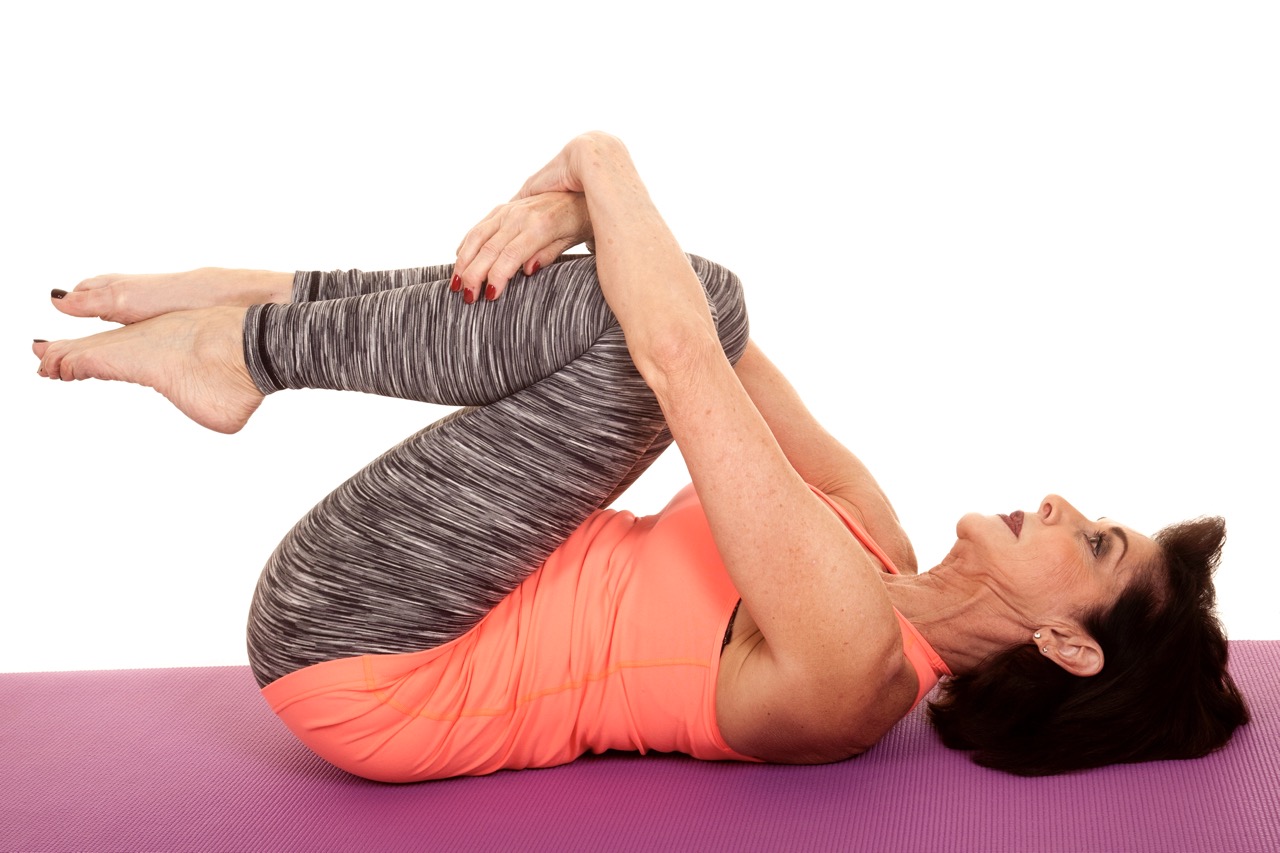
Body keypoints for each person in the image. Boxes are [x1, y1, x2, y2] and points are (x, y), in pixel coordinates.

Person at [33, 132, 1248, 779]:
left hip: (375, 656)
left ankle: (253, 345)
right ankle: (255, 314)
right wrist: (580, 220)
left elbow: (677, 355)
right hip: (436, 579)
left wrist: (595, 163)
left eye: (1093, 540)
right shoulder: (864, 521)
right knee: (678, 300)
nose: (1059, 500)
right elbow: (684, 320)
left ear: (1067, 644)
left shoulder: (855, 672)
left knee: (679, 311)